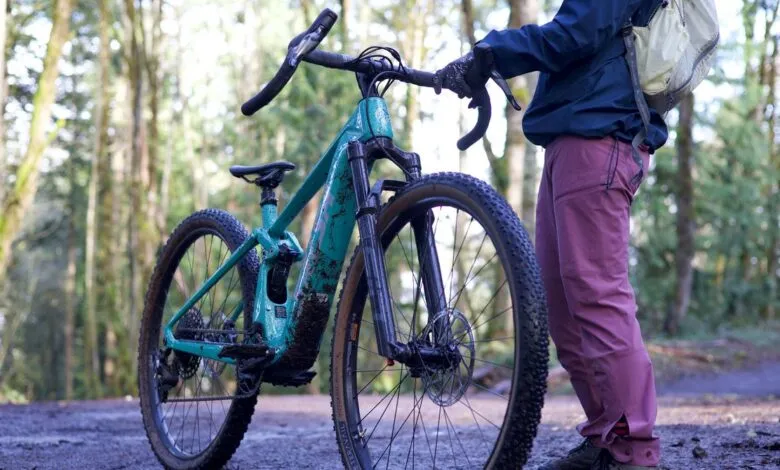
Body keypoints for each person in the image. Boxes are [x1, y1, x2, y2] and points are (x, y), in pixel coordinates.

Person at [435, 1, 668, 469]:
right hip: (573, 141)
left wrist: (490, 52)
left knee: (599, 298)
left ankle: (632, 449)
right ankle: (607, 437)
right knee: (562, 306)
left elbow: (573, 35)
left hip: (600, 139)